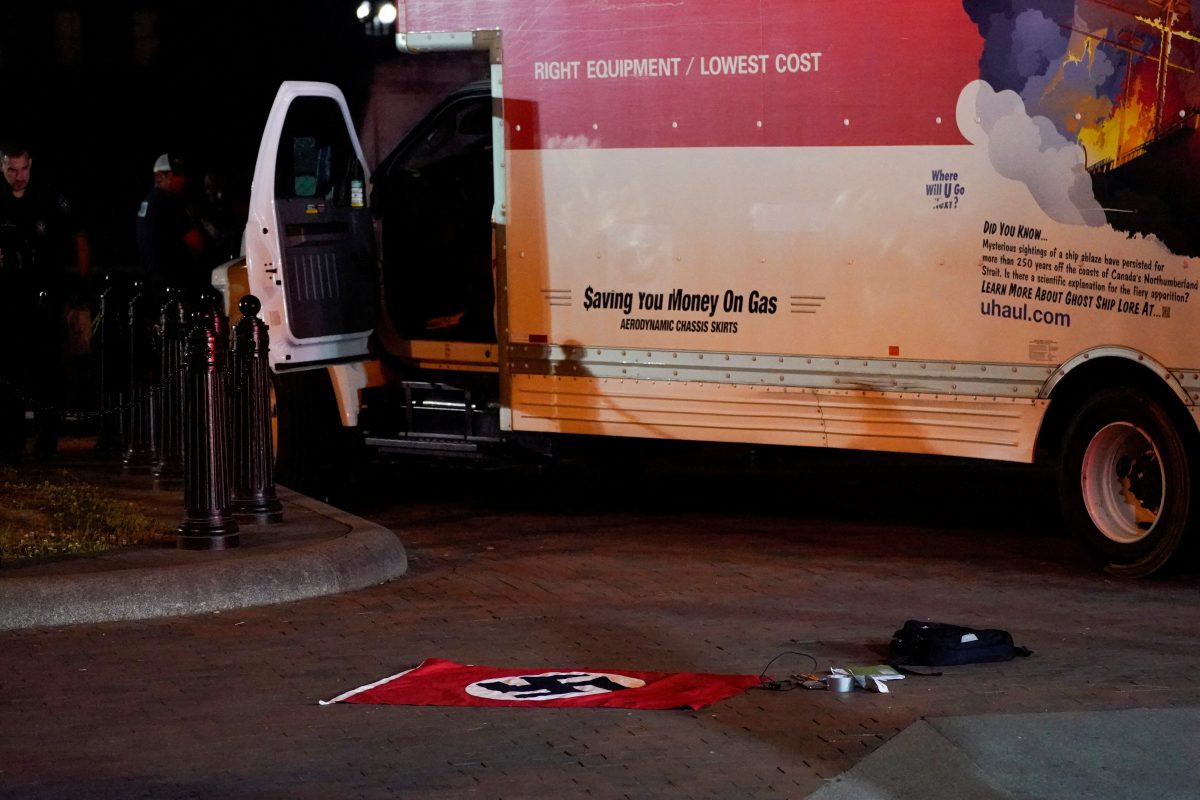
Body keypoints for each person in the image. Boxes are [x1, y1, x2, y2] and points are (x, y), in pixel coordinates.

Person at [0, 139, 91, 461]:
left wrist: (78, 287)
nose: (18, 176)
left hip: (45, 297)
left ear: (31, 165)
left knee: (47, 373)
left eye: (23, 168)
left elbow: (79, 236)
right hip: (8, 300)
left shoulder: (48, 197)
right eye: (11, 169)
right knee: (8, 373)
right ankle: (10, 443)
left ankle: (46, 441)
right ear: (2, 167)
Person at [136, 152, 207, 293]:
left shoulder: (150, 200)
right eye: (176, 175)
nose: (182, 180)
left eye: (183, 175)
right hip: (172, 280)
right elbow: (198, 243)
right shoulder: (167, 203)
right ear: (160, 176)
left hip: (155, 278)